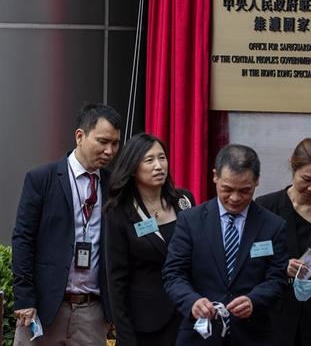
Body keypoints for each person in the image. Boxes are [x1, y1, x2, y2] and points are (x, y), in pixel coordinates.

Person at [12, 103, 122, 346]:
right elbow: (23, 239)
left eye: (115, 144)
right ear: (80, 136)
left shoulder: (114, 186)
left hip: (93, 313)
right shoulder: (42, 179)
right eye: (103, 141)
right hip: (44, 308)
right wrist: (24, 299)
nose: (110, 151)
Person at [162, 144, 288, 346]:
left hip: (252, 335)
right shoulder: (191, 221)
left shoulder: (273, 226)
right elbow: (174, 273)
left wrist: (253, 300)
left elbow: (278, 278)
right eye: (227, 189)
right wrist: (192, 301)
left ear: (257, 181)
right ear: (215, 177)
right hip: (200, 335)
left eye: (245, 191)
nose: (235, 198)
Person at [255, 137, 311, 346]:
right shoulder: (266, 207)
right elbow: (252, 259)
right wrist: (281, 266)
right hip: (276, 314)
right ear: (293, 168)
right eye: (307, 179)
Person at [104, 133, 195, 346]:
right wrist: (125, 336)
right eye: (149, 160)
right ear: (133, 168)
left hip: (186, 313)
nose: (158, 166)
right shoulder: (119, 213)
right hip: (145, 321)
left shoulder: (184, 200)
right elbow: (116, 280)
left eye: (162, 158)